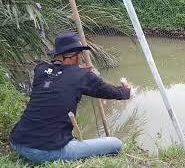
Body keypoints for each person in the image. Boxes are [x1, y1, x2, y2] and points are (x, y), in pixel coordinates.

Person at [9, 32, 131, 164]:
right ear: (74, 56)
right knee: (115, 144)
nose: (81, 59)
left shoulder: (40, 70)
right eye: (80, 55)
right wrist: (126, 91)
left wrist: (79, 71)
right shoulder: (82, 76)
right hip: (44, 152)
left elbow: (59, 75)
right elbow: (111, 92)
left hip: (17, 142)